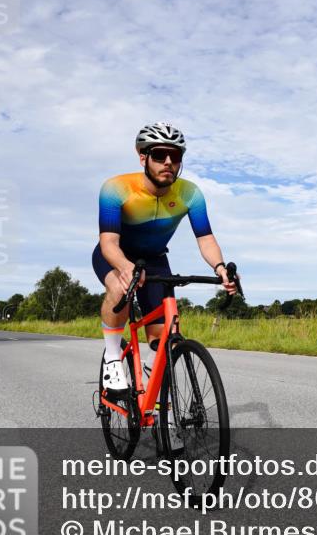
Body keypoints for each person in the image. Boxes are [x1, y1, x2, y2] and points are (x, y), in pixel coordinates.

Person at [93, 122, 236, 392]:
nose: (168, 162)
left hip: (155, 259)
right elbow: (109, 242)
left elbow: (205, 238)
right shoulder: (116, 188)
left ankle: (152, 384)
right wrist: (125, 267)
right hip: (117, 255)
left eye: (176, 156)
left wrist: (220, 267)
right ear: (143, 157)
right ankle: (112, 356)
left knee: (163, 336)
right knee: (118, 286)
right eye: (160, 155)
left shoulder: (190, 193)